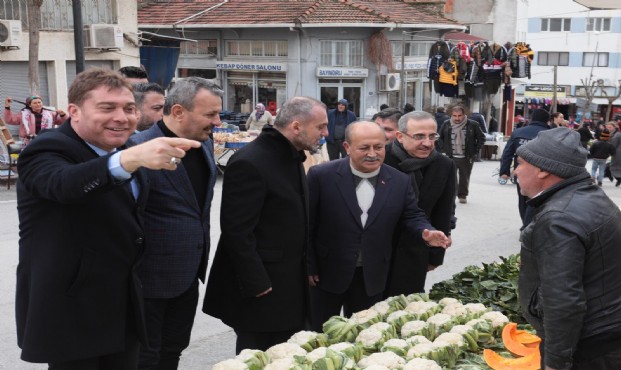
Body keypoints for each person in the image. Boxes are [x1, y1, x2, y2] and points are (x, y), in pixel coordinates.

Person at [15, 68, 201, 368]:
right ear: (74, 111)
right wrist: (129, 160)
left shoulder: (126, 148)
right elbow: (64, 184)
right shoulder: (48, 148)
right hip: (73, 313)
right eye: (107, 108)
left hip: (123, 308)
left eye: (129, 109)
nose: (122, 117)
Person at [203, 97, 329, 353]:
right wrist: (257, 284)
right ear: (296, 127)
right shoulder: (252, 162)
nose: (326, 133)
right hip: (264, 291)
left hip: (289, 285)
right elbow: (237, 231)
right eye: (321, 127)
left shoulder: (290, 155)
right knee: (260, 355)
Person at [515, 128, 621, 370]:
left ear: (543, 169)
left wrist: (555, 362)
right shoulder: (590, 195)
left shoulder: (558, 218)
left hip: (592, 348)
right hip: (617, 332)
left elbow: (563, 301)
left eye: (520, 163)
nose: (515, 171)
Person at [306, 121, 450, 331]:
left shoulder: (399, 181)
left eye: (379, 147)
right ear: (347, 147)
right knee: (318, 334)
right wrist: (309, 265)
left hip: (371, 275)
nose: (372, 154)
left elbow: (412, 214)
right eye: (364, 148)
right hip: (326, 275)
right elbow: (308, 223)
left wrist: (425, 232)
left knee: (364, 335)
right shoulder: (321, 176)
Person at [132, 77, 222, 369]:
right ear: (179, 112)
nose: (217, 121)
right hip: (148, 279)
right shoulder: (138, 150)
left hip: (187, 274)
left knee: (173, 350)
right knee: (145, 356)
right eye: (210, 114)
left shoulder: (203, 145)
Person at [383, 111, 456, 297]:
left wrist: (436, 256)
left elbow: (443, 212)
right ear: (400, 136)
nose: (427, 143)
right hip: (377, 253)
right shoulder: (381, 160)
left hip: (415, 252)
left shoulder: (444, 165)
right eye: (419, 136)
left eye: (432, 136)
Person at [499, 108, 550, 225]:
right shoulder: (550, 134)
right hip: (543, 175)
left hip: (522, 174)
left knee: (523, 201)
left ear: (531, 119)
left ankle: (525, 225)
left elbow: (507, 153)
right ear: (547, 121)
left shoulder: (518, 133)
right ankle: (534, 225)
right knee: (540, 201)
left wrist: (504, 172)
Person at [438, 105, 485, 204]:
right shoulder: (447, 124)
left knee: (464, 178)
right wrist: (444, 149)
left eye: (459, 115)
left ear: (464, 115)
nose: (457, 118)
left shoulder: (473, 125)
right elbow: (439, 137)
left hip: (466, 157)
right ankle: (451, 196)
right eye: (455, 116)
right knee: (451, 178)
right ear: (452, 115)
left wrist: (475, 151)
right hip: (451, 156)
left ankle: (462, 195)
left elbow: (481, 138)